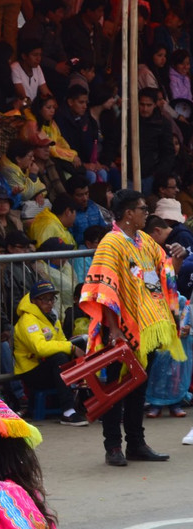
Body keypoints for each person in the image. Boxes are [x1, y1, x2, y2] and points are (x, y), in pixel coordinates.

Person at [80, 189, 187, 466]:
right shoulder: (111, 243)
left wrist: (177, 257)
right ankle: (113, 446)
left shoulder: (145, 241)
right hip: (119, 328)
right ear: (129, 214)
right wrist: (114, 329)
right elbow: (102, 289)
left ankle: (136, 444)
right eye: (143, 209)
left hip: (146, 328)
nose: (146, 214)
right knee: (115, 389)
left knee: (138, 387)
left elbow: (164, 274)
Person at [13, 279, 87, 426]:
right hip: (31, 372)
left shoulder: (52, 318)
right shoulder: (28, 320)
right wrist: (70, 348)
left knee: (74, 351)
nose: (50, 303)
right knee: (60, 357)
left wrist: (71, 347)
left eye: (52, 298)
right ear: (34, 301)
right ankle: (68, 411)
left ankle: (85, 402)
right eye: (45, 299)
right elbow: (40, 348)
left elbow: (62, 340)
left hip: (46, 366)